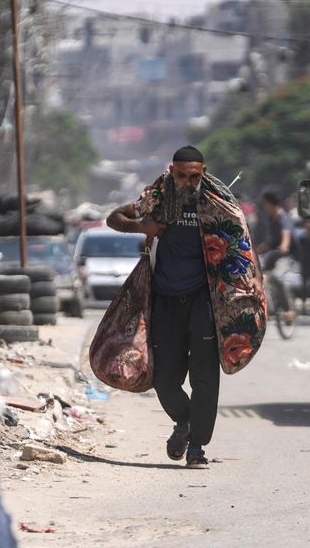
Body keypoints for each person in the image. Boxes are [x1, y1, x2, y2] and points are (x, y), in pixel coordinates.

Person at [106, 146, 250, 469]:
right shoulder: (158, 198)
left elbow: (240, 243)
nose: (188, 183)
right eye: (182, 176)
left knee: (204, 377)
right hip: (165, 299)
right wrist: (144, 227)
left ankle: (197, 446)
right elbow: (114, 217)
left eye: (194, 176)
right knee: (164, 378)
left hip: (203, 300)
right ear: (172, 171)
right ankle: (184, 421)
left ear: (203, 172)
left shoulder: (216, 203)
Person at [256, 191, 297, 325]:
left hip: (284, 255)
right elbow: (270, 238)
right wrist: (261, 248)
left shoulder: (282, 216)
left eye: (266, 204)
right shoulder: (271, 217)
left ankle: (288, 309)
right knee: (260, 275)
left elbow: (286, 232)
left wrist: (284, 245)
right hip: (272, 255)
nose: (265, 206)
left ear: (271, 203)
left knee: (278, 278)